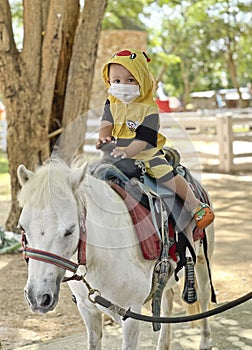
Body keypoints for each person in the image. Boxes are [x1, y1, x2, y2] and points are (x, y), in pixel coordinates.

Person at [96, 49, 214, 230]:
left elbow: (143, 139)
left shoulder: (149, 108)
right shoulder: (111, 103)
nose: (123, 85)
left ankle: (194, 204)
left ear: (142, 80)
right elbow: (106, 122)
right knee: (96, 174)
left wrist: (127, 152)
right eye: (117, 81)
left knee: (165, 176)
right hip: (116, 152)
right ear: (109, 81)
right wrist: (104, 138)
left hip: (146, 154)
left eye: (130, 80)